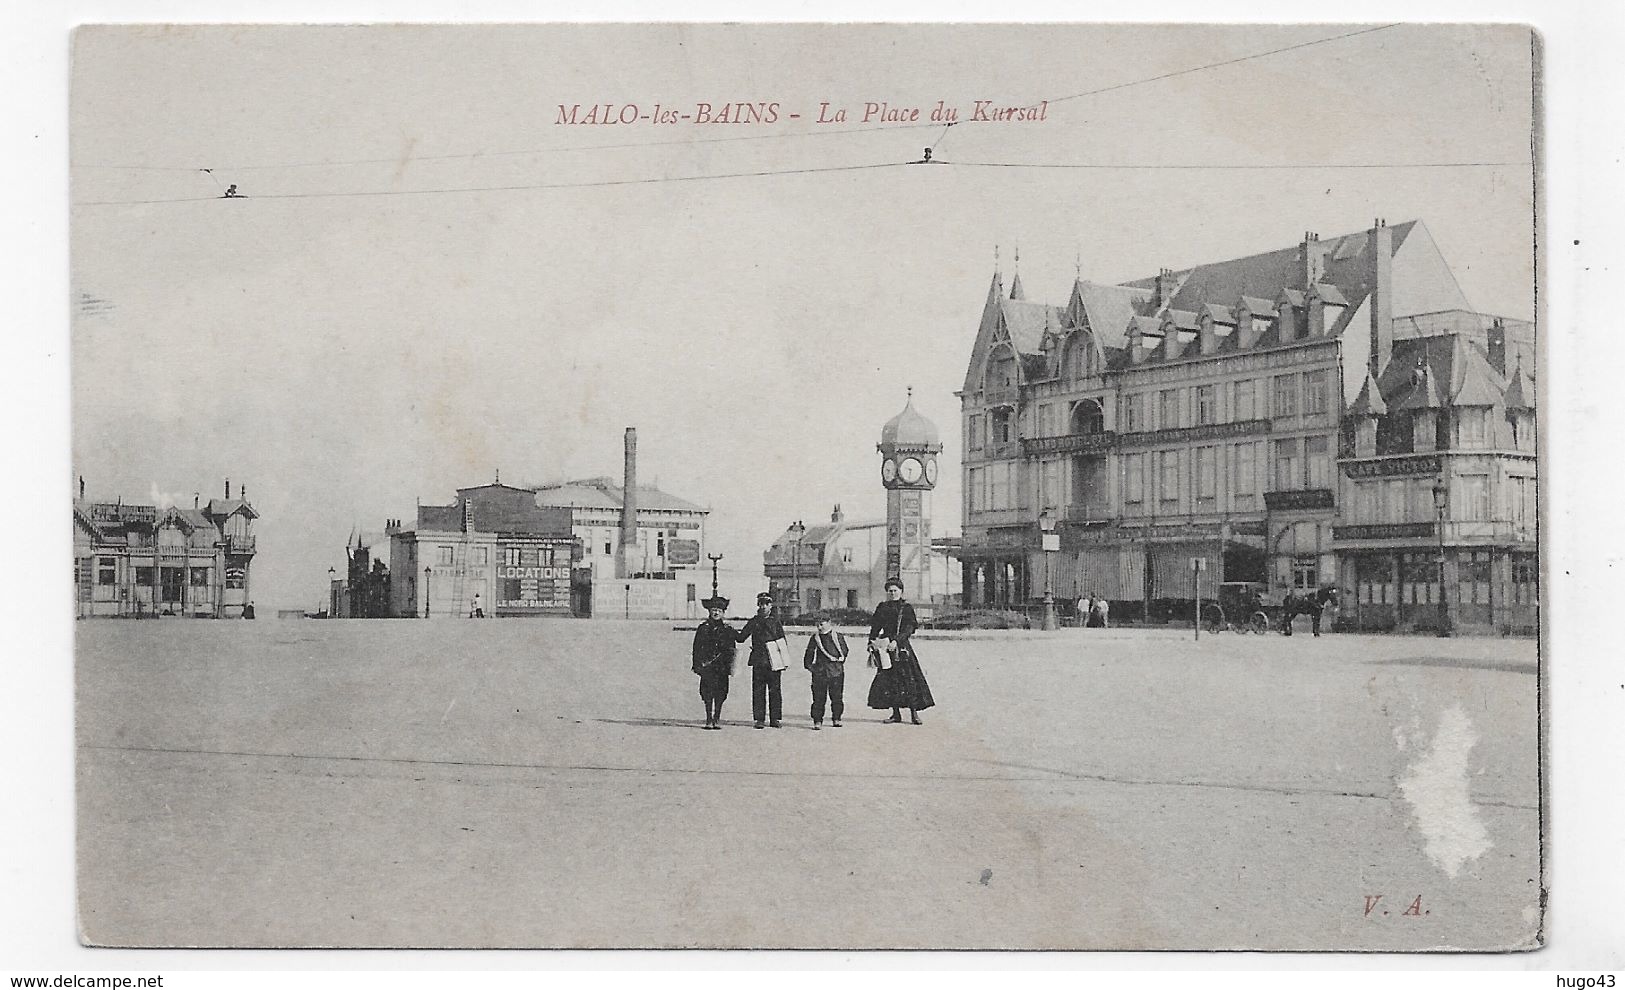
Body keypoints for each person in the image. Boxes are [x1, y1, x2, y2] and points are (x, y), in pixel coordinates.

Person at [866, 577, 935, 724]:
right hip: (885, 647)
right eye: (889, 591)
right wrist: (871, 643)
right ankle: (895, 714)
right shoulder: (882, 607)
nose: (892, 594)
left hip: (902, 646)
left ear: (901, 591)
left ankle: (914, 713)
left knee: (909, 679)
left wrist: (896, 640)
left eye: (895, 591)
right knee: (890, 680)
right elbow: (875, 627)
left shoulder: (906, 608)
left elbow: (910, 628)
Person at [736, 592, 789, 728]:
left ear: (771, 606)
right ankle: (759, 719)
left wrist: (784, 660)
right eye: (761, 603)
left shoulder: (775, 622)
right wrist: (729, 631)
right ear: (758, 605)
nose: (763, 606)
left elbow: (782, 642)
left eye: (766, 603)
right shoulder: (753, 622)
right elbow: (741, 637)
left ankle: (775, 719)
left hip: (774, 661)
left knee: (775, 690)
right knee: (758, 690)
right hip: (759, 660)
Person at [691, 596, 736, 729]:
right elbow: (696, 648)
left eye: (719, 611)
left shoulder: (727, 629)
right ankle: (709, 718)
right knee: (707, 693)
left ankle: (717, 717)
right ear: (709, 611)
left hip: (722, 668)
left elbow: (733, 648)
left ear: (723, 613)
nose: (716, 613)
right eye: (713, 610)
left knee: (721, 692)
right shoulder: (703, 628)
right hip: (707, 666)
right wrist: (697, 665)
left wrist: (731, 666)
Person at [802, 616, 849, 729]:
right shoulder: (815, 638)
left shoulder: (838, 637)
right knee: (818, 698)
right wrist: (811, 667)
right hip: (820, 672)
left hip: (835, 672)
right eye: (817, 625)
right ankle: (818, 720)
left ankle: (836, 718)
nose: (819, 627)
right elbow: (809, 653)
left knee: (837, 697)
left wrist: (839, 662)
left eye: (822, 624)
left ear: (829, 623)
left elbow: (845, 651)